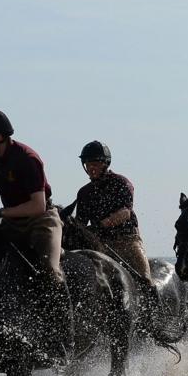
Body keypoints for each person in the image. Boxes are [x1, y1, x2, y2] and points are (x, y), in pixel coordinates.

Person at [0, 108, 71, 367]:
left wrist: (0, 212)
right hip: (12, 222)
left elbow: (37, 205)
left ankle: (63, 341)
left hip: (41, 220)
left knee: (50, 270)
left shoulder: (27, 158)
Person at [73, 140, 165, 336]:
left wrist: (100, 225)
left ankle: (155, 322)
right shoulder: (84, 193)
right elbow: (80, 224)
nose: (91, 168)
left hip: (127, 241)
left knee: (145, 279)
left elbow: (125, 212)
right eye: (88, 164)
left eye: (95, 163)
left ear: (106, 163)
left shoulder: (122, 183)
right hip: (100, 245)